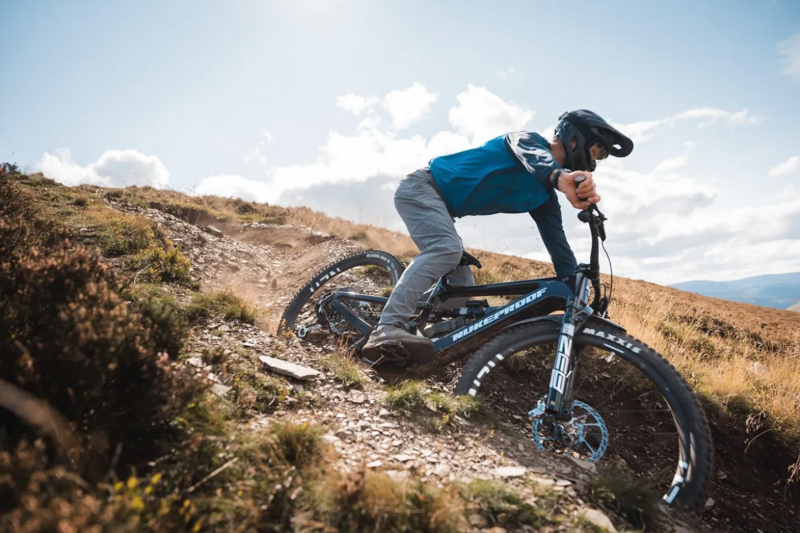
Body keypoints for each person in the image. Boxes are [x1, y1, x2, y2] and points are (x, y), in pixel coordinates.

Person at [362, 109, 634, 360]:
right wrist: (558, 177)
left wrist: (576, 287)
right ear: (575, 139)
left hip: (442, 209)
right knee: (446, 249)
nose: (594, 160)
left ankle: (421, 336)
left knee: (462, 281)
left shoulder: (543, 197)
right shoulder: (527, 142)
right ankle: (387, 327)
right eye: (596, 151)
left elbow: (557, 242)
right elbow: (534, 158)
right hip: (422, 187)